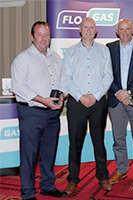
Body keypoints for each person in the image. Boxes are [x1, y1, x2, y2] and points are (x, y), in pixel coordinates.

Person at [11, 21, 67, 200]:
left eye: (47, 34)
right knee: (29, 155)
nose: (44, 38)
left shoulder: (56, 57)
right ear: (32, 37)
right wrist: (43, 100)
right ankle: (28, 193)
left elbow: (63, 81)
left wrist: (61, 98)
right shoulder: (22, 59)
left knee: (49, 153)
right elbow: (18, 87)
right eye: (40, 34)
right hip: (31, 113)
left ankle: (47, 186)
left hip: (52, 114)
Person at [63, 17, 113, 194]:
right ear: (80, 29)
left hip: (98, 103)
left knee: (98, 141)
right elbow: (67, 79)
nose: (89, 30)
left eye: (92, 27)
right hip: (77, 103)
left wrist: (95, 96)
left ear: (96, 30)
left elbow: (108, 76)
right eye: (86, 27)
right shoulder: (70, 52)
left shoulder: (104, 50)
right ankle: (73, 179)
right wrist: (81, 97)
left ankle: (103, 177)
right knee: (75, 143)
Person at [106, 18, 133, 187]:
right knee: (118, 139)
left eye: (127, 29)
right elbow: (106, 73)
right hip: (115, 100)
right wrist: (118, 92)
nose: (124, 32)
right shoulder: (109, 48)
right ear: (117, 31)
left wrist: (128, 92)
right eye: (121, 29)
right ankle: (121, 169)